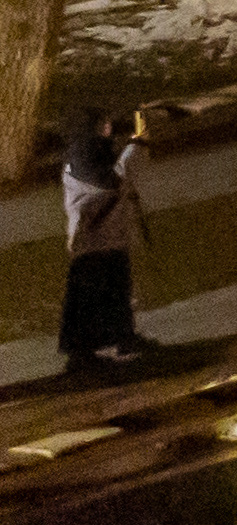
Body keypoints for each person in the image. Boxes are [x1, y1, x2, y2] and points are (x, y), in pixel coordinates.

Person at [53, 117, 145, 371]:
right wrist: (139, 144)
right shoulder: (83, 158)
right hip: (95, 244)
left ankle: (120, 341)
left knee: (114, 292)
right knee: (93, 297)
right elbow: (114, 182)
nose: (109, 130)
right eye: (103, 126)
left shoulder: (88, 156)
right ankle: (84, 352)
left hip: (105, 241)